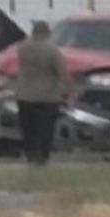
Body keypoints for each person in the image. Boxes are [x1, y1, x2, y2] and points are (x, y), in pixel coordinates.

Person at [15, 21, 70, 165]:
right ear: (47, 32)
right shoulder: (51, 50)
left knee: (28, 128)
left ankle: (30, 154)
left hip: (24, 94)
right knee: (45, 129)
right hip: (47, 96)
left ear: (33, 32)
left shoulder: (22, 48)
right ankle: (42, 155)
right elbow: (61, 72)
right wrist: (70, 88)